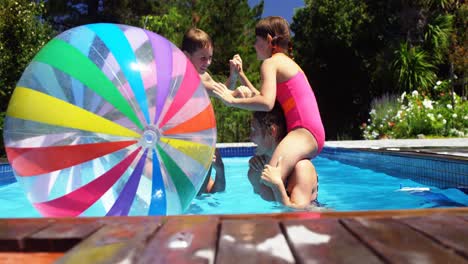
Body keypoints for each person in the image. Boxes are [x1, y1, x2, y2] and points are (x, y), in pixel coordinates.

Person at [213, 16, 325, 207]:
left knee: (267, 182)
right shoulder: (284, 63)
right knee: (261, 177)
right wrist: (241, 77)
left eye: (257, 41)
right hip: (308, 131)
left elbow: (265, 102)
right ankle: (301, 200)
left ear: (268, 40)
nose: (255, 46)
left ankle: (299, 206)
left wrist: (231, 100)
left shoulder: (270, 63)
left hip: (303, 132)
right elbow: (267, 100)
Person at [181, 28, 254, 193]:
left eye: (210, 58)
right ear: (186, 56)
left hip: (203, 138)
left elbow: (219, 91)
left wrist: (233, 77)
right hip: (185, 141)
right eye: (203, 58)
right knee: (191, 189)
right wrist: (235, 94)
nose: (207, 63)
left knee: (204, 186)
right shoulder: (183, 75)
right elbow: (211, 89)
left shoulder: (205, 76)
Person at [248, 103, 318, 208]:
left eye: (254, 130)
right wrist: (254, 171)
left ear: (272, 131)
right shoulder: (263, 162)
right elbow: (262, 194)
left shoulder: (302, 167)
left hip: (313, 221)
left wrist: (277, 186)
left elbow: (297, 214)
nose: (250, 137)